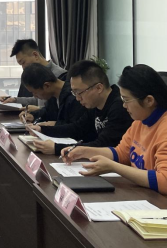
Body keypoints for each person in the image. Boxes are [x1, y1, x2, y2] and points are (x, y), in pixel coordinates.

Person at [62, 65, 167, 195]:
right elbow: (121, 153)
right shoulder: (139, 122)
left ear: (149, 100)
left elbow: (164, 181)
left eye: (127, 100)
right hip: (142, 194)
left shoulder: (163, 128)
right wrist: (84, 151)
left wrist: (114, 167)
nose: (124, 105)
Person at [31, 60, 133, 155]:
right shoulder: (94, 104)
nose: (77, 98)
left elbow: (103, 145)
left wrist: (57, 148)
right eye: (74, 93)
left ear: (98, 88)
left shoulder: (120, 107)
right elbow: (77, 129)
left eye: (79, 92)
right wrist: (42, 130)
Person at [21, 64, 86, 148]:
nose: (35, 96)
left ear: (47, 85)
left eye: (35, 92)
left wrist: (54, 125)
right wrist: (33, 115)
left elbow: (76, 129)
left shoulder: (75, 97)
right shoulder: (53, 95)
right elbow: (47, 111)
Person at [0, 39, 67, 112]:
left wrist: (39, 110)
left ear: (35, 55)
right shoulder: (33, 75)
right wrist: (14, 100)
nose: (23, 68)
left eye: (23, 62)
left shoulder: (61, 75)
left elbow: (61, 110)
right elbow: (38, 100)